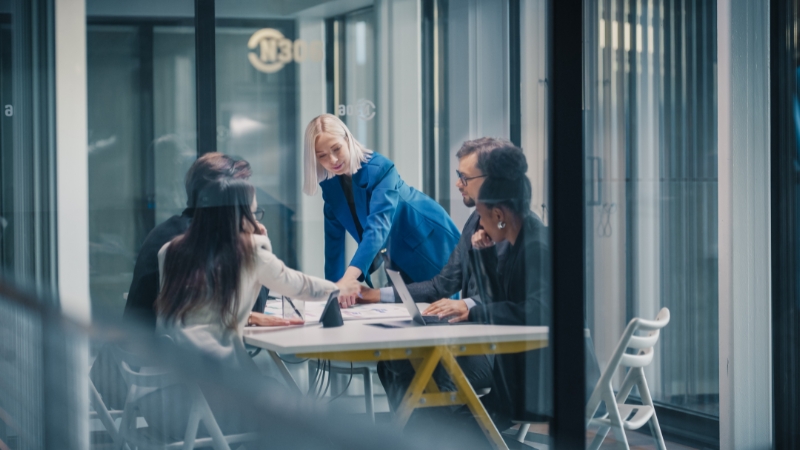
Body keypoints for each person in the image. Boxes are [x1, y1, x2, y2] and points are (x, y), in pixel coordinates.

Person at [146, 176, 360, 439]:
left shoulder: (170, 250)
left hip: (168, 397)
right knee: (300, 411)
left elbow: (197, 306)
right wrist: (339, 287)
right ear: (239, 214)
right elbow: (298, 285)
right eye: (254, 210)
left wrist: (247, 315)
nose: (256, 218)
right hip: (220, 398)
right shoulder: (249, 251)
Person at [358, 137, 513, 413]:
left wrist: (467, 304)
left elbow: (512, 296)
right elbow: (441, 284)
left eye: (464, 177)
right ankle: (410, 438)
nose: (457, 183)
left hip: (501, 353)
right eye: (458, 175)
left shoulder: (515, 229)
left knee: (430, 371)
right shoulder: (474, 221)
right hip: (474, 340)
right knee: (393, 362)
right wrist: (376, 295)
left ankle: (429, 438)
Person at [302, 114, 460, 306]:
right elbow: (334, 245)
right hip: (394, 252)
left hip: (427, 242)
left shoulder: (380, 168)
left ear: (348, 140)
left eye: (336, 149)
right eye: (322, 156)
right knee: (408, 313)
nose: (333, 159)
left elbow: (377, 227)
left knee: (441, 310)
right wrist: (334, 292)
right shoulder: (331, 186)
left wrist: (349, 279)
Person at [122, 152, 293, 330]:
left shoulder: (171, 228)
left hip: (141, 349)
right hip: (162, 355)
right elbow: (257, 308)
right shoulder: (197, 240)